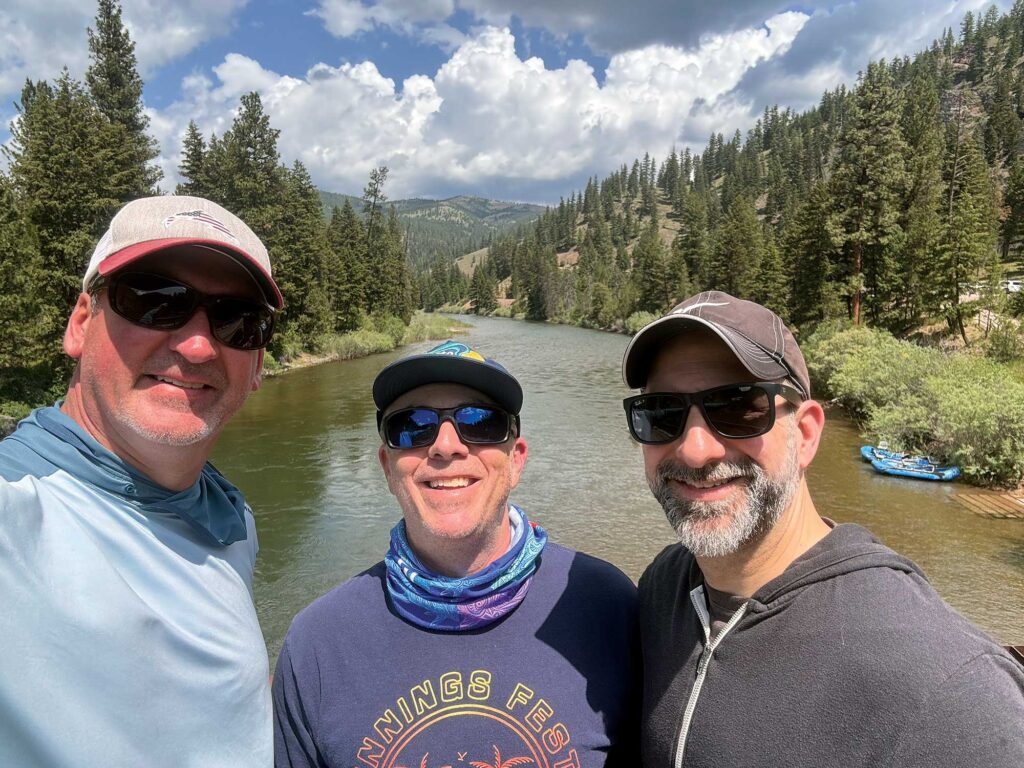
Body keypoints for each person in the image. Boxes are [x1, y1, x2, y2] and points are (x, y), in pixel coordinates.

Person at [621, 291, 1024, 768]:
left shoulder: (954, 694)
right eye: (662, 413)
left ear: (807, 434)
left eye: (737, 407)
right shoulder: (665, 587)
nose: (694, 450)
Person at [0, 196, 284, 767]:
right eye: (156, 301)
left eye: (237, 321)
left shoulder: (231, 519)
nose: (198, 345)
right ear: (81, 323)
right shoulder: (17, 507)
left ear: (256, 365)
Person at [273, 340, 639, 768]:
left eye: (479, 422)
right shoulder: (316, 645)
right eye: (412, 426)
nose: (446, 446)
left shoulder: (608, 606)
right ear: (387, 467)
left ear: (517, 460)